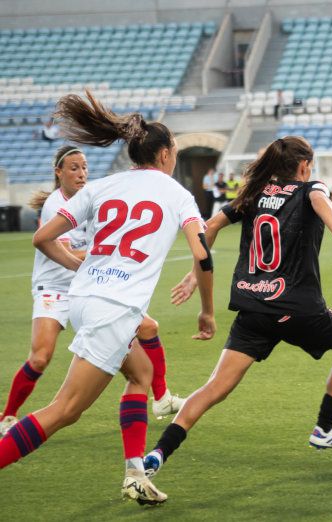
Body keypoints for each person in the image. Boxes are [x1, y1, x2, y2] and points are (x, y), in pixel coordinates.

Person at [0, 92, 215, 506]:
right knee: (64, 410)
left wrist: (80, 267)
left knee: (140, 373)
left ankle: (135, 474)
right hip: (113, 311)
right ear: (167, 154)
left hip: (82, 300)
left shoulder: (101, 185)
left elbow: (42, 238)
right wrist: (206, 312)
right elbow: (202, 256)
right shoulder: (176, 194)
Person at [142, 136, 332, 483]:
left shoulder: (254, 195)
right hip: (298, 309)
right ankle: (324, 428)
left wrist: (193, 273)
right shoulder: (310, 188)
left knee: (214, 387)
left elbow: (210, 226)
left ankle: (159, 452)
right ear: (304, 165)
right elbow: (321, 199)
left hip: (253, 310)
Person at [0, 147, 186, 438]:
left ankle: (161, 398)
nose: (81, 174)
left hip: (87, 287)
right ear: (58, 172)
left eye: (84, 168)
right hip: (55, 289)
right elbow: (62, 249)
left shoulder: (95, 197)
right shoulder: (54, 205)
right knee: (40, 358)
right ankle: (8, 416)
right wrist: (100, 257)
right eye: (74, 168)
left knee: (148, 328)